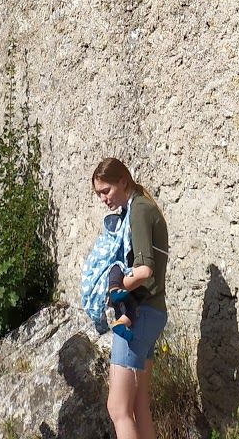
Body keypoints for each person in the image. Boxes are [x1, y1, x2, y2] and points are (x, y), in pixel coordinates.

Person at [91, 157, 169, 439]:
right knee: (138, 406)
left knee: (118, 408)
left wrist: (116, 285)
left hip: (139, 315)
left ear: (123, 181)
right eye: (99, 193)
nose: (103, 198)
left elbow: (145, 269)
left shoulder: (138, 210)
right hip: (153, 313)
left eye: (106, 190)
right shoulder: (143, 207)